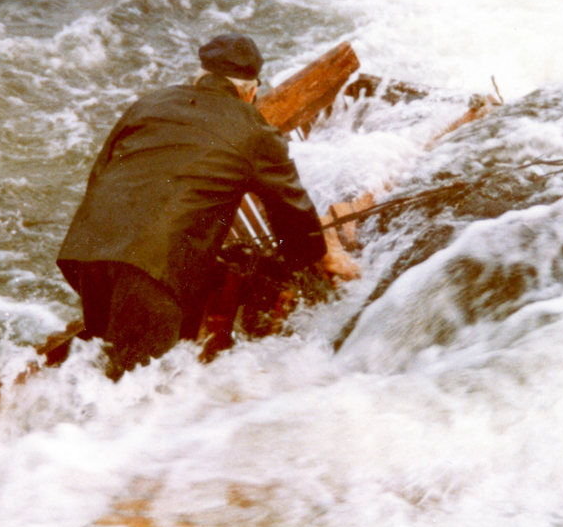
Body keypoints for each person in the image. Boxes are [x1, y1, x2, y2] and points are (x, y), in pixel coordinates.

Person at [57, 34, 352, 378]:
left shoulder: (148, 103)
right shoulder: (255, 130)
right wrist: (318, 255)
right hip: (153, 269)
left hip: (87, 253)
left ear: (199, 77)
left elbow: (100, 177)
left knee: (104, 367)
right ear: (250, 92)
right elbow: (291, 209)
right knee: (137, 393)